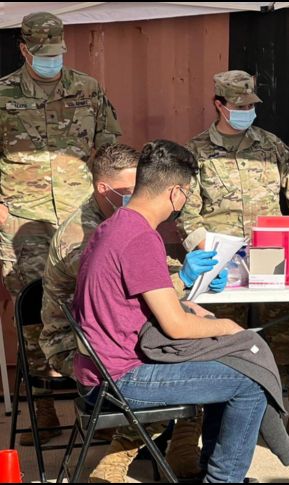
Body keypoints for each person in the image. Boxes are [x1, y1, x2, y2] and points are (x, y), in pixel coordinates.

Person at [73, 139, 277, 483]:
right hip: (120, 378)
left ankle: (212, 472)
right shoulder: (140, 237)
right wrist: (229, 326)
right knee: (250, 379)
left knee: (230, 364)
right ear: (176, 193)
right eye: (187, 194)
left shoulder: (114, 225)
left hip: (98, 370)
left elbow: (141, 303)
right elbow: (176, 327)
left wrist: (188, 306)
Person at [40, 143, 226, 482]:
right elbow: (122, 293)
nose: (139, 194)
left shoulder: (126, 221)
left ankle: (182, 449)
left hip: (115, 330)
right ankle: (118, 458)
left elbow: (150, 272)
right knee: (180, 356)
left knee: (191, 341)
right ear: (103, 188)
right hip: (76, 344)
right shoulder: (82, 235)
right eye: (129, 189)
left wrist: (195, 272)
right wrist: (182, 281)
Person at [177, 70, 289, 440]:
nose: (247, 111)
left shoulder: (271, 146)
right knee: (218, 340)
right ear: (219, 105)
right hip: (221, 259)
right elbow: (186, 212)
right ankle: (204, 425)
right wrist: (205, 250)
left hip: (270, 254)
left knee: (288, 333)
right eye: (239, 106)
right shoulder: (196, 151)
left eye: (251, 105)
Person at [0, 11, 122, 444]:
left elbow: (110, 149)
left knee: (93, 306)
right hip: (23, 219)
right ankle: (44, 411)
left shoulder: (88, 89)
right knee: (33, 310)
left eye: (57, 52)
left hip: (80, 217)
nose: (51, 60)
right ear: (24, 49)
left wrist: (113, 204)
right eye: (42, 53)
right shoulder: (3, 94)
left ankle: (97, 410)